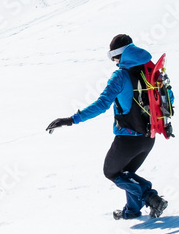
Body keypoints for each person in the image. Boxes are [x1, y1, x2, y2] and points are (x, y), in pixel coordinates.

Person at [47, 34, 169, 220]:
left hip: (128, 139)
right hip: (149, 137)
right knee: (128, 174)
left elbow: (102, 104)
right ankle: (132, 211)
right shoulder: (149, 70)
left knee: (112, 172)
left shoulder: (120, 76)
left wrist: (72, 119)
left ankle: (150, 197)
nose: (114, 61)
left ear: (119, 54)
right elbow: (169, 98)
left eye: (113, 57)